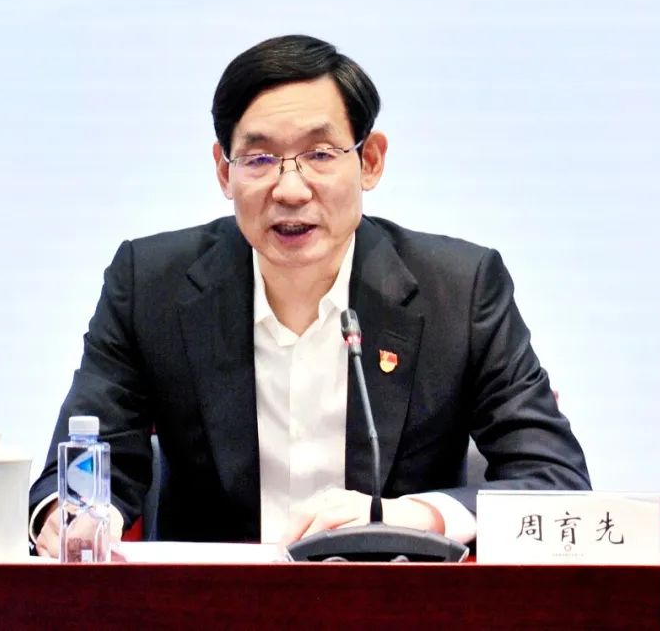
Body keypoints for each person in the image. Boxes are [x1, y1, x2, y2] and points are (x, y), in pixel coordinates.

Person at [29, 34, 589, 555]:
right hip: (212, 608)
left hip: (396, 604)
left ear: (370, 161)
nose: (291, 190)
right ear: (224, 171)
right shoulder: (151, 285)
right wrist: (68, 516)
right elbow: (86, 462)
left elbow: (554, 480)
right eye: (259, 159)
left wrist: (410, 515)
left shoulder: (459, 290)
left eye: (321, 154)